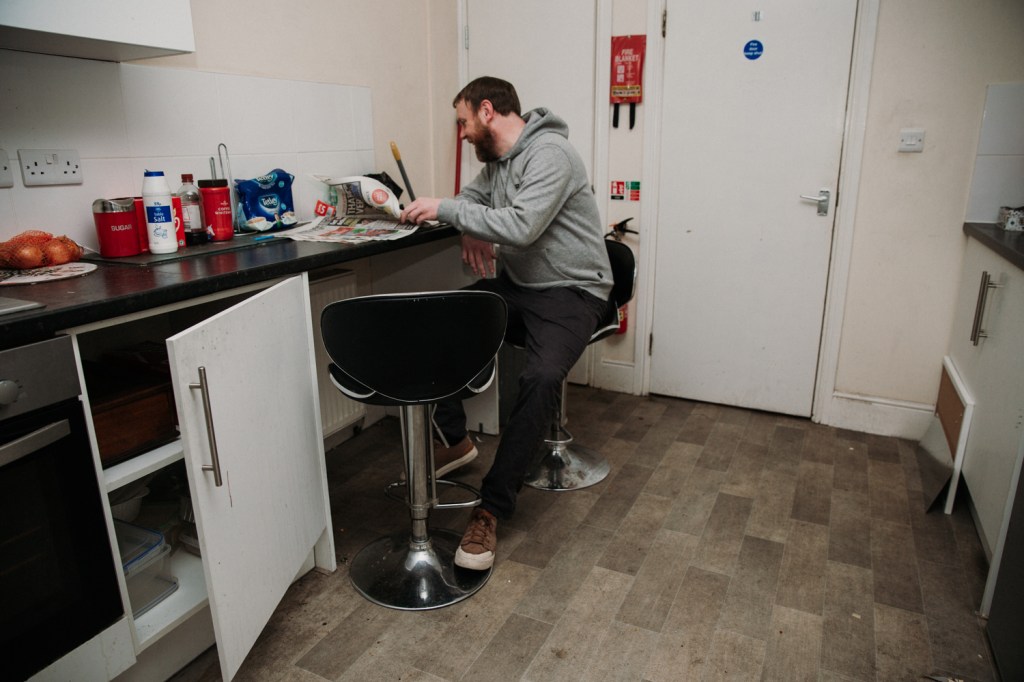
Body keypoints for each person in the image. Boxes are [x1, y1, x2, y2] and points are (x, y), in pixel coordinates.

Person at [400, 76, 612, 571]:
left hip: (574, 291)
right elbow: (470, 200)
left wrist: (450, 211)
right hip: (521, 287)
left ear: (487, 111)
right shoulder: (497, 164)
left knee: (540, 378)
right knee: (436, 318)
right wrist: (466, 223)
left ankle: (490, 509)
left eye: (462, 122)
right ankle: (455, 440)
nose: (461, 134)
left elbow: (521, 226)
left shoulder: (551, 155)